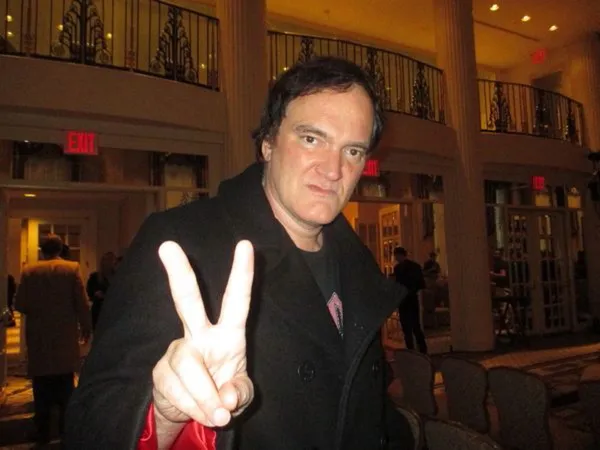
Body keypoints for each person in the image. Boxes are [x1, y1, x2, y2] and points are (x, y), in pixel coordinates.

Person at [65, 56, 412, 450]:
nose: (333, 170)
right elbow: (91, 425)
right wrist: (164, 414)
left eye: (352, 151)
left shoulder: (357, 260)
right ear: (268, 143)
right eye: (311, 139)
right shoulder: (182, 243)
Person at [15, 234, 91, 445]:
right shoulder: (71, 269)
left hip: (39, 337)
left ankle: (43, 432)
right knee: (65, 386)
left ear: (42, 250)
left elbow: (20, 304)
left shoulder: (29, 271)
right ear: (60, 249)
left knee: (41, 389)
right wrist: (86, 326)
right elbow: (82, 302)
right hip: (64, 336)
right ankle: (67, 432)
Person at [393, 247, 427, 354]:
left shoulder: (400, 268)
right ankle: (420, 350)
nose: (396, 258)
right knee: (412, 327)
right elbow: (421, 284)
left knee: (411, 327)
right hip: (409, 299)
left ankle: (413, 350)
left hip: (407, 299)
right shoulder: (412, 267)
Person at [86, 251, 117, 330]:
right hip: (99, 310)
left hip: (113, 310)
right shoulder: (95, 277)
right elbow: (89, 291)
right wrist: (96, 294)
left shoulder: (117, 277)